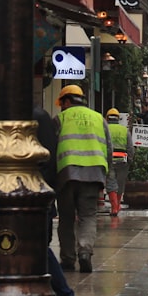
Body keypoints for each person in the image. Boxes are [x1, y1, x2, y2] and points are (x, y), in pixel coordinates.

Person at [55, 84, 112, 272]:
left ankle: (68, 258)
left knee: (66, 218)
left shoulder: (60, 118)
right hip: (94, 173)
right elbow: (109, 149)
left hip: (67, 174)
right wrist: (106, 174)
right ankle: (85, 252)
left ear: (68, 101)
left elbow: (51, 146)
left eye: (62, 103)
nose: (61, 107)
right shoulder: (98, 118)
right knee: (88, 215)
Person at [33, 105, 77, 296]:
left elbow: (49, 162)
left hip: (37, 195)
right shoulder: (43, 117)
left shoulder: (38, 118)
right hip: (35, 192)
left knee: (38, 247)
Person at [104, 108, 129, 217]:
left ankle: (114, 208)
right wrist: (130, 159)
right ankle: (117, 205)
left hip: (109, 161)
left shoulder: (104, 129)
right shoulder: (124, 130)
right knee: (120, 184)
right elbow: (130, 147)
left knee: (111, 184)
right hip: (122, 161)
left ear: (107, 118)